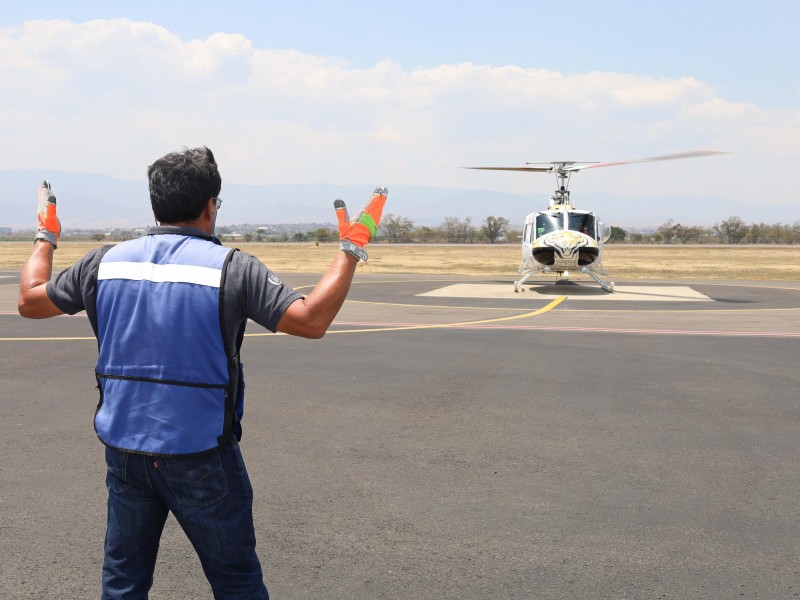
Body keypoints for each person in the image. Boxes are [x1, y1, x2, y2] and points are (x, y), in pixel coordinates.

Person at [17, 146, 387, 599]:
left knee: (123, 582)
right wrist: (350, 249)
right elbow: (310, 320)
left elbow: (30, 300)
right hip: (201, 453)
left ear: (156, 204)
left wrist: (45, 235)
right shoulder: (233, 267)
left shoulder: (104, 262)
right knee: (235, 582)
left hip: (126, 451)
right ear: (211, 205)